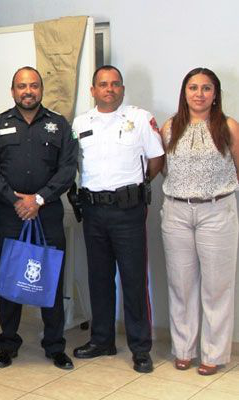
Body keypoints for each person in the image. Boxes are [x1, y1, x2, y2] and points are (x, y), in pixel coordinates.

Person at [71, 65, 164, 373]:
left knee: (134, 280)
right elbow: (75, 164)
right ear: (93, 90)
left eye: (114, 84)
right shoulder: (81, 122)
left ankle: (140, 347)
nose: (109, 89)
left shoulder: (138, 118)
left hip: (128, 210)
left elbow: (156, 159)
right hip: (93, 209)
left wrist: (134, 188)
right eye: (102, 84)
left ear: (122, 89)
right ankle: (102, 340)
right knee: (98, 278)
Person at [0, 67, 78, 370]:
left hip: (46, 211)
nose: (28, 91)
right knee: (9, 275)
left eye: (34, 85)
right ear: (13, 91)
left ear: (41, 90)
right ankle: (8, 344)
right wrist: (16, 200)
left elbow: (67, 168)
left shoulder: (59, 125)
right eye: (22, 86)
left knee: (51, 276)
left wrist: (38, 199)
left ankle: (54, 345)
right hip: (10, 213)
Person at [159, 68, 239, 376]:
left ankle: (213, 354)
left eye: (206, 88)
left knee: (217, 288)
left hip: (216, 212)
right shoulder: (170, 126)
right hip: (177, 212)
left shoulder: (228, 126)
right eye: (193, 87)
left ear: (215, 93)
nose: (199, 93)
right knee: (181, 285)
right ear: (185, 92)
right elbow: (165, 168)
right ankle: (183, 350)